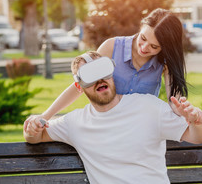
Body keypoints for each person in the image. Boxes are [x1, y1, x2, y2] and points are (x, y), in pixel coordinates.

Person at [24, 51, 202, 184]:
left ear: (112, 73)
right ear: (79, 87)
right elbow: (35, 136)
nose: (99, 80)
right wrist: (31, 127)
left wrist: (197, 121)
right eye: (90, 77)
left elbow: (199, 137)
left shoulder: (148, 106)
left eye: (103, 72)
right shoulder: (74, 122)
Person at [24, 8, 187, 127]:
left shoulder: (165, 63)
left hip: (140, 131)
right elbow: (81, 85)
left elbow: (174, 102)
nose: (144, 48)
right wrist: (46, 115)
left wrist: (181, 109)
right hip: (106, 127)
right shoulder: (112, 47)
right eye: (142, 38)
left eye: (154, 46)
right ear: (141, 28)